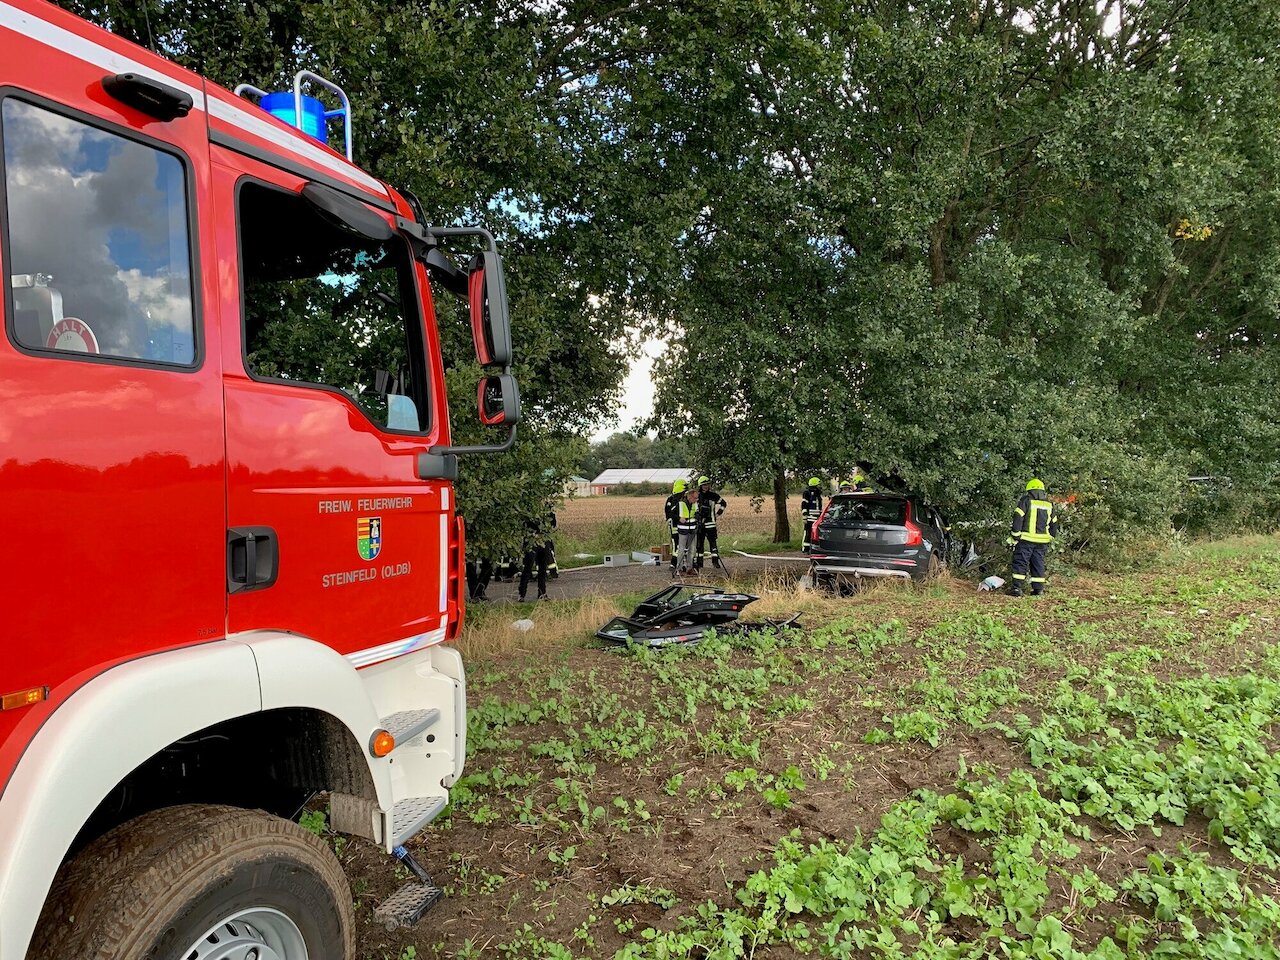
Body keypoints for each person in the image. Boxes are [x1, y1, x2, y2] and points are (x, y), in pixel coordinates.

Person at [1007, 478, 1059, 596]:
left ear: (1029, 490)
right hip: (1042, 542)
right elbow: (1054, 522)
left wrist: (1015, 535)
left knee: (1020, 562)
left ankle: (1017, 588)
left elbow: (1018, 517)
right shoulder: (1049, 504)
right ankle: (1038, 590)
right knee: (1038, 563)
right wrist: (1051, 536)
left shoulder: (1026, 501)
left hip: (1026, 540)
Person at [519, 508, 555, 602]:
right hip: (532, 540)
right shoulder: (530, 508)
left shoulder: (548, 508)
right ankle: (522, 593)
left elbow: (553, 523)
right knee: (528, 567)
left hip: (544, 541)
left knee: (543, 568)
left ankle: (542, 593)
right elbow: (525, 524)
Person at [695, 475, 728, 569]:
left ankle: (715, 562)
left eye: (707, 484)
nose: (705, 486)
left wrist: (718, 513)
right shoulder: (697, 496)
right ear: (700, 486)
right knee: (699, 545)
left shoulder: (713, 495)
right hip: (700, 524)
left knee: (713, 544)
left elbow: (723, 503)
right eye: (704, 485)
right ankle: (699, 563)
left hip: (711, 524)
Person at [664, 479, 687, 574]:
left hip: (683, 526)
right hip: (676, 527)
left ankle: (679, 564)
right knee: (677, 545)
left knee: (682, 546)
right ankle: (674, 564)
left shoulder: (681, 498)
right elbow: (668, 513)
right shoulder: (672, 499)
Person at [675, 486, 699, 575]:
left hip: (693, 529)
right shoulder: (680, 504)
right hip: (683, 529)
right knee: (681, 550)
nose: (696, 500)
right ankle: (679, 568)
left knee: (692, 549)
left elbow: (697, 513)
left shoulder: (695, 504)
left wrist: (697, 516)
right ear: (690, 497)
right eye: (695, 498)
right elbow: (671, 514)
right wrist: (679, 518)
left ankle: (690, 568)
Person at [801, 477, 824, 553]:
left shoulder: (818, 495)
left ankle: (813, 548)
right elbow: (804, 504)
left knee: (815, 534)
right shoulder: (807, 493)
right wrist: (805, 516)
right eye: (818, 485)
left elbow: (819, 507)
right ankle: (805, 548)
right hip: (809, 517)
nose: (819, 487)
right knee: (807, 533)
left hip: (817, 518)